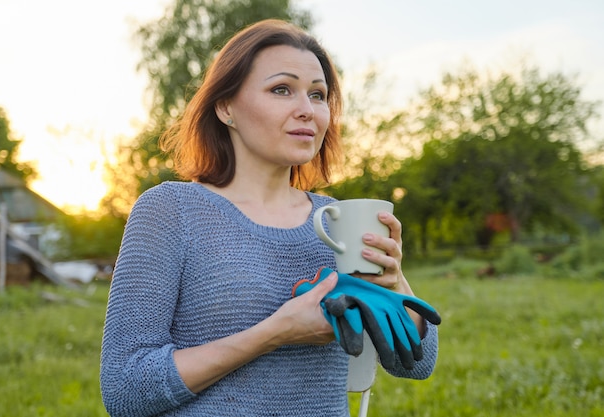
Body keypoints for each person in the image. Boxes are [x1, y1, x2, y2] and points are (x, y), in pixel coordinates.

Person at [100, 18, 439, 417]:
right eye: (282, 89)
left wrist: (393, 279)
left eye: (318, 95)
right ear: (226, 107)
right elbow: (125, 388)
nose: (307, 110)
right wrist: (275, 333)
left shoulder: (337, 222)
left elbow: (415, 364)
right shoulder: (171, 210)